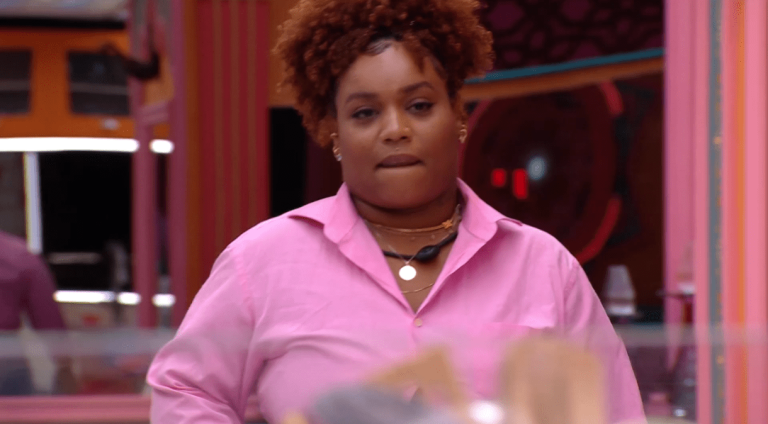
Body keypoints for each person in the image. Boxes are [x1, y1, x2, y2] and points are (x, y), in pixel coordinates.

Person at [147, 1, 645, 423]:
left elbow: (612, 412)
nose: (395, 130)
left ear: (459, 115)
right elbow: (186, 392)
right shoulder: (262, 261)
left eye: (420, 106)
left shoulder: (544, 266)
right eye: (365, 113)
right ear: (334, 132)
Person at [0, 230, 75, 395]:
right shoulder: (19, 254)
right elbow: (50, 322)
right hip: (6, 364)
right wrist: (65, 371)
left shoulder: (20, 255)